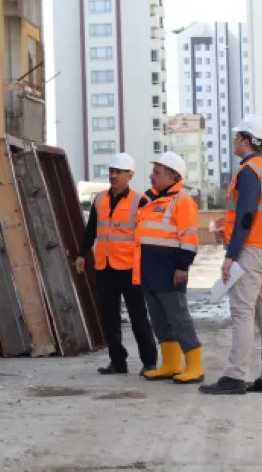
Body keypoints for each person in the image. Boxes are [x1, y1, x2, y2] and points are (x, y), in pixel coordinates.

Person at [200, 114, 262, 395]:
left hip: (251, 251)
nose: (234, 141)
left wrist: (230, 255)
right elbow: (255, 214)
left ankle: (235, 376)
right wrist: (226, 228)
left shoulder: (249, 172)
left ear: (247, 141)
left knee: (242, 314)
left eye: (237, 137)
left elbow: (247, 215)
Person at [74, 153, 158, 375]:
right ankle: (118, 362)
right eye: (111, 171)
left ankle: (149, 361)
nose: (113, 175)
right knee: (109, 318)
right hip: (105, 267)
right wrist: (82, 254)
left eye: (118, 172)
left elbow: (148, 236)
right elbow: (91, 229)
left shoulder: (140, 201)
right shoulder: (100, 199)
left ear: (130, 176)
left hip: (130, 269)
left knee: (138, 317)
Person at [137, 152, 204, 384]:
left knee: (179, 319)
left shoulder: (182, 201)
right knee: (159, 320)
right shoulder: (151, 201)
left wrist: (182, 266)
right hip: (149, 270)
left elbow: (189, 237)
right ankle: (170, 364)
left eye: (157, 172)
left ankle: (194, 366)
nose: (151, 176)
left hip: (170, 271)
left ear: (172, 176)